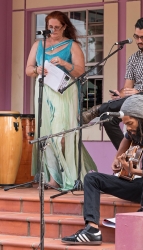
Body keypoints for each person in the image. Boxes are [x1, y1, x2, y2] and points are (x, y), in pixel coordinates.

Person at [61, 94, 143, 245]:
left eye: (130, 123)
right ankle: (92, 230)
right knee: (92, 178)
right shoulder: (137, 132)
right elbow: (126, 139)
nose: (127, 128)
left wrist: (133, 172)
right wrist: (117, 158)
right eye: (125, 124)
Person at [26, 11, 97, 190]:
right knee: (47, 136)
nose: (53, 30)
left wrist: (64, 64)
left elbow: (80, 72)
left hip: (64, 92)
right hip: (44, 91)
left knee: (61, 137)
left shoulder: (72, 46)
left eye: (57, 27)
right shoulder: (39, 44)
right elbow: (28, 69)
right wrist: (37, 70)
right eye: (50, 27)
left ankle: (72, 175)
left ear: (65, 26)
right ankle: (53, 178)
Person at [82, 13, 143, 150]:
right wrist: (120, 94)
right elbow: (127, 88)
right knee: (107, 118)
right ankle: (127, 153)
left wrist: (139, 92)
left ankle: (98, 109)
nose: (139, 41)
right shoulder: (133, 58)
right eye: (136, 37)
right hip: (135, 101)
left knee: (140, 96)